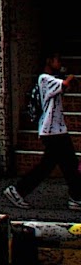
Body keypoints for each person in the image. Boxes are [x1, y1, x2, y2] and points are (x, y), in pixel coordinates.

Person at [5, 52, 81, 210]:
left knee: (66, 164)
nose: (59, 63)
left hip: (58, 129)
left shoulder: (52, 80)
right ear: (49, 61)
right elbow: (64, 84)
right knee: (53, 166)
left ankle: (76, 196)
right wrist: (70, 77)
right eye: (57, 60)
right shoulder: (44, 79)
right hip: (52, 130)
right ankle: (18, 190)